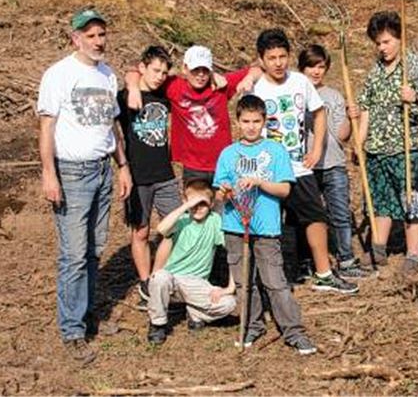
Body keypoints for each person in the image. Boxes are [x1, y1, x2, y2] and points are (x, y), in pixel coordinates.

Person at [36, 8, 132, 364]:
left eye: (101, 34)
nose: (97, 41)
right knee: (74, 254)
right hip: (72, 173)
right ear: (75, 39)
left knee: (94, 250)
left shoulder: (107, 74)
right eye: (90, 35)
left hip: (103, 170)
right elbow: (46, 127)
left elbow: (113, 127)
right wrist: (49, 174)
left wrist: (122, 166)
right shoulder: (59, 74)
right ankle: (72, 329)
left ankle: (89, 315)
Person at [252, 29, 357, 293]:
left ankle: (324, 274)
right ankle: (270, 279)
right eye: (272, 58)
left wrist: (317, 148)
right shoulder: (256, 89)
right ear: (261, 60)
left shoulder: (300, 82)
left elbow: (319, 114)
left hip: (298, 167)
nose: (278, 63)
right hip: (268, 171)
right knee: (269, 224)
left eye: (282, 56)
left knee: (315, 216)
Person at [214, 95, 317, 355]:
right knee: (243, 282)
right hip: (235, 225)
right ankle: (252, 324)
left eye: (256, 121)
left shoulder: (275, 151)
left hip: (266, 227)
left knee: (275, 282)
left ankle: (293, 331)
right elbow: (218, 193)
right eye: (246, 121)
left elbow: (284, 189)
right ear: (237, 122)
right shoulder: (228, 154)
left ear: (264, 122)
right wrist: (224, 191)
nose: (251, 127)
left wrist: (259, 182)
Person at [349, 11, 418, 275]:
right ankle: (378, 248)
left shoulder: (415, 66)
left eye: (386, 42)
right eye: (378, 43)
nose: (382, 48)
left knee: (411, 199)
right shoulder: (375, 70)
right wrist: (359, 141)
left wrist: (416, 97)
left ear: (399, 38)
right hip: (377, 148)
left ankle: (413, 254)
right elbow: (366, 108)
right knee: (380, 199)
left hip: (407, 147)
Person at [126, 45, 258, 185]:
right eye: (196, 70)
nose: (200, 75)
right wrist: (133, 88)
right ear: (185, 68)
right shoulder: (174, 86)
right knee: (197, 199)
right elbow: (135, 71)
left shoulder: (221, 86)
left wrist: (249, 78)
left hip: (223, 163)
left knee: (225, 199)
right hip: (193, 167)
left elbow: (258, 68)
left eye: (205, 70)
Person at [117, 46, 183, 309]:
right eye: (155, 70)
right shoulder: (125, 97)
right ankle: (145, 283)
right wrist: (132, 84)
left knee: (177, 226)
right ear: (143, 67)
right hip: (137, 176)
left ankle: (158, 276)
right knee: (141, 231)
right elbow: (128, 74)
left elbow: (183, 79)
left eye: (164, 72)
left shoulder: (164, 96)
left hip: (165, 173)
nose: (159, 77)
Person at [299, 45, 371, 280]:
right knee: (307, 216)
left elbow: (342, 135)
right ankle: (307, 261)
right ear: (302, 68)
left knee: (340, 213)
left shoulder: (334, 96)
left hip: (334, 163)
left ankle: (346, 260)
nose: (316, 71)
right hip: (306, 165)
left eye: (321, 67)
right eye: (311, 66)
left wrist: (351, 119)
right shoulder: (296, 94)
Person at [146, 180, 237, 346]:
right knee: (160, 277)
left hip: (197, 282)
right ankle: (158, 324)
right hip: (172, 279)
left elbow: (234, 252)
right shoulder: (181, 220)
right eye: (194, 204)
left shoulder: (214, 221)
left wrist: (230, 287)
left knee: (229, 303)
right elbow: (161, 229)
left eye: (203, 204)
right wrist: (186, 206)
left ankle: (195, 313)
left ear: (211, 204)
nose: (198, 208)